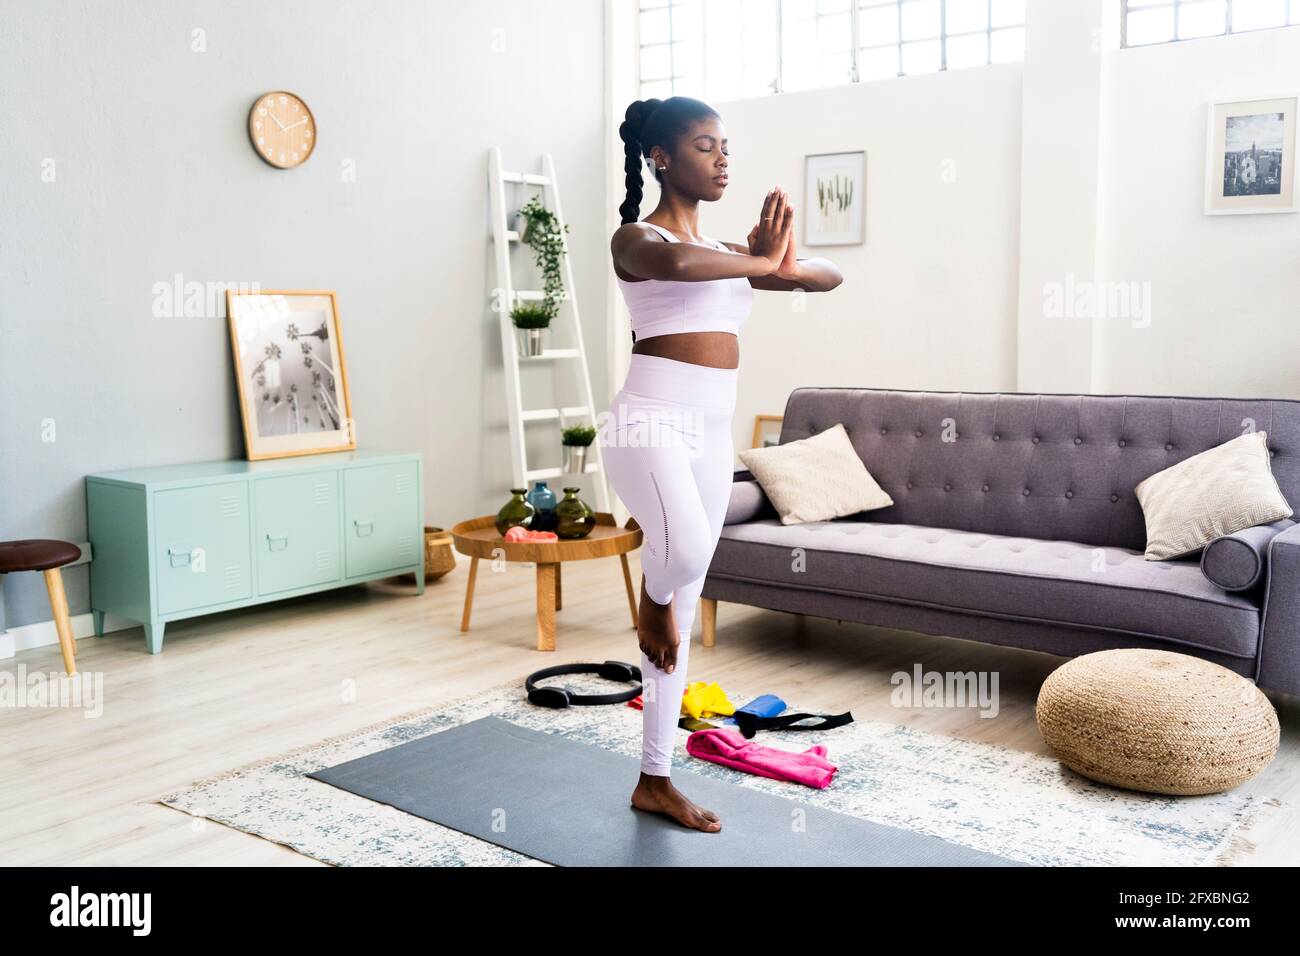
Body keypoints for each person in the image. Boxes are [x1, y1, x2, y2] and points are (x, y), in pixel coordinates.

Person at [600, 95, 843, 832]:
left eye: (726, 146)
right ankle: (651, 594)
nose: (723, 158)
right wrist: (763, 262)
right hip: (648, 424)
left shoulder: (737, 257)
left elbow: (829, 277)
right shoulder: (634, 237)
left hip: (710, 432)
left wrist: (784, 265)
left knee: (690, 584)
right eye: (706, 146)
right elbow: (674, 260)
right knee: (682, 565)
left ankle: (654, 779)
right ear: (663, 159)